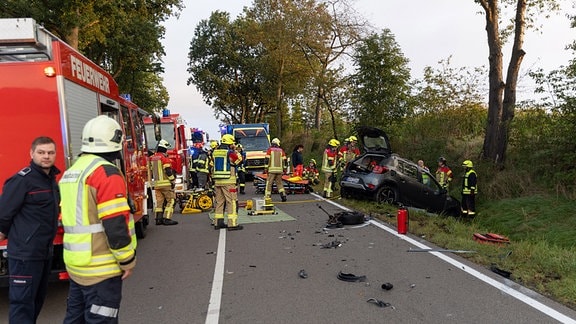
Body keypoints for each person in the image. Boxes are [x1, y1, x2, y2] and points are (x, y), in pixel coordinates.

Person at [59, 115, 136, 323]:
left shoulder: (72, 172)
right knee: (101, 320)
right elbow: (115, 225)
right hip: (101, 269)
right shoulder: (106, 173)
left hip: (77, 265)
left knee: (75, 319)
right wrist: (126, 260)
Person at [0, 136, 60, 324]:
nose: (46, 156)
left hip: (44, 252)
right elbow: (3, 214)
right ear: (32, 153)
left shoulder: (51, 180)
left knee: (36, 302)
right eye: (41, 152)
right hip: (25, 255)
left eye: (50, 152)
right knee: (22, 305)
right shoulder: (22, 180)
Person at [212, 134, 243, 230]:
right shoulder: (230, 153)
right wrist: (236, 151)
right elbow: (239, 161)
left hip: (217, 181)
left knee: (219, 202)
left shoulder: (215, 152)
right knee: (232, 201)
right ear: (230, 143)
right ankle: (232, 224)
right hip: (228, 181)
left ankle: (218, 223)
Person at [150, 139, 178, 226]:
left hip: (156, 184)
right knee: (171, 201)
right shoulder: (164, 158)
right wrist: (172, 180)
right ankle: (167, 218)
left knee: (159, 202)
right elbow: (168, 171)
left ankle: (158, 219)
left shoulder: (152, 158)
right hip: (165, 184)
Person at [265, 138, 288, 202]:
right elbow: (285, 160)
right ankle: (283, 196)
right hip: (279, 171)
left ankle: (267, 197)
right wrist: (285, 168)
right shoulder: (281, 151)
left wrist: (266, 168)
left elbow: (267, 159)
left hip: (272, 170)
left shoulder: (270, 150)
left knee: (269, 183)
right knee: (279, 184)